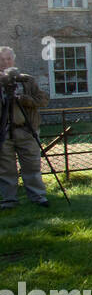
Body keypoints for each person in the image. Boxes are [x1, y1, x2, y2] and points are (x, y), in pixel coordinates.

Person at [0, 46, 50, 209]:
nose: (5, 63)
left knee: (32, 165)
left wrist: (23, 99)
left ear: (14, 60)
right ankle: (9, 200)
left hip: (26, 129)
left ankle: (38, 197)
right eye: (1, 60)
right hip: (4, 131)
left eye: (8, 59)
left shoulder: (26, 80)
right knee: (6, 168)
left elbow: (42, 100)